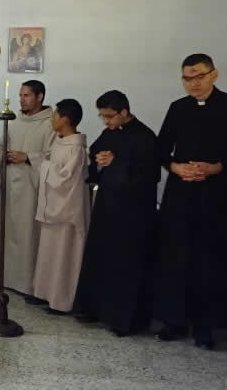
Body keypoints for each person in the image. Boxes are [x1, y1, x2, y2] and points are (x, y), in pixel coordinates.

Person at [153, 53, 227, 350]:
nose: (193, 83)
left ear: (213, 75)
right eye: (187, 78)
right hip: (180, 195)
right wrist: (175, 167)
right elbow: (160, 149)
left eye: (198, 76)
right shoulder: (178, 108)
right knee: (175, 259)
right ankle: (174, 321)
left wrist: (216, 168)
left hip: (215, 196)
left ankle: (205, 328)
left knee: (209, 263)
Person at [73, 90, 159, 336]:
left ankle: (123, 320)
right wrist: (99, 160)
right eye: (102, 116)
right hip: (107, 206)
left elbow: (150, 175)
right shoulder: (109, 133)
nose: (106, 121)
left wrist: (116, 162)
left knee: (125, 264)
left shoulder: (145, 137)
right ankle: (94, 308)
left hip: (133, 213)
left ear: (124, 112)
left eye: (109, 116)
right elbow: (96, 156)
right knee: (101, 257)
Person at [0, 80, 56, 299]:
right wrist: (3, 155)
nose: (21, 100)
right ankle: (0, 277)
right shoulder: (14, 121)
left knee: (27, 234)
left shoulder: (50, 123)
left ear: (39, 97)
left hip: (32, 188)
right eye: (20, 95)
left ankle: (26, 282)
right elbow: (0, 147)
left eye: (26, 95)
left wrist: (28, 157)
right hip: (10, 184)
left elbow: (54, 157)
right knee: (6, 231)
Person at [30, 99, 90, 314]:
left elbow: (64, 179)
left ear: (65, 119)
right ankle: (44, 293)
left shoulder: (76, 148)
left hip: (67, 212)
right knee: (48, 252)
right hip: (53, 207)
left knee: (64, 255)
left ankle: (61, 301)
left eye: (55, 115)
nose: (51, 120)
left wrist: (43, 165)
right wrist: (43, 162)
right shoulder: (60, 141)